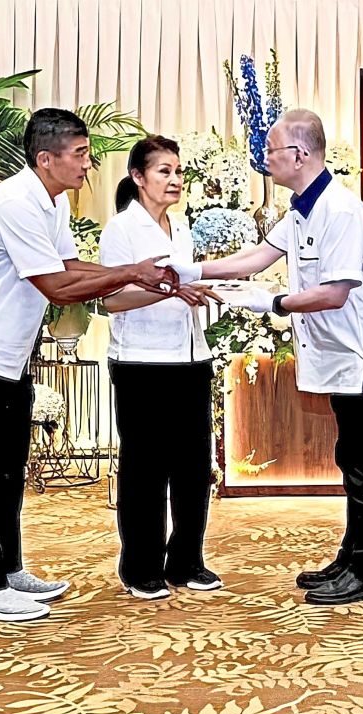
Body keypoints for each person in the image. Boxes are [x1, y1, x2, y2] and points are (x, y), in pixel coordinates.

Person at [0, 108, 178, 621]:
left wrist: (133, 275)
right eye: (81, 155)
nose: (89, 164)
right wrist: (129, 271)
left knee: (6, 470)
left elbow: (68, 265)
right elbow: (56, 288)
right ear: (46, 158)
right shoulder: (16, 202)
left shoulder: (53, 202)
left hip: (6, 359)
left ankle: (9, 570)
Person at [165, 108, 363, 606]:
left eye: (272, 151)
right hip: (341, 357)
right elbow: (257, 257)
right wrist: (190, 269)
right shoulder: (301, 207)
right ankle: (356, 554)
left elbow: (334, 293)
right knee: (352, 458)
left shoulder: (339, 211)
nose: (265, 158)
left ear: (299, 155)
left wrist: (269, 302)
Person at [100, 135, 225, 600]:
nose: (175, 180)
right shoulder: (121, 229)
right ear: (138, 177)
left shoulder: (182, 226)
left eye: (178, 171)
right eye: (164, 172)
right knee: (145, 468)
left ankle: (187, 560)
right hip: (141, 362)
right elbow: (114, 299)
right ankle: (140, 567)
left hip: (190, 358)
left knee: (194, 466)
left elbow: (188, 283)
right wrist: (171, 291)